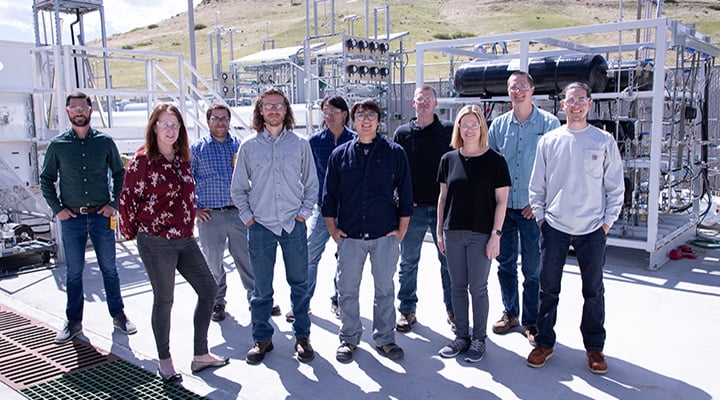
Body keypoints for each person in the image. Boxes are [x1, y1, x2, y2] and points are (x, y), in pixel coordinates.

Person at [119, 103, 228, 382]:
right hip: (155, 240)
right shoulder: (142, 161)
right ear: (154, 126)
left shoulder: (182, 157)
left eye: (175, 124)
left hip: (184, 237)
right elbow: (127, 200)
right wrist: (134, 234)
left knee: (209, 289)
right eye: (165, 124)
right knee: (165, 299)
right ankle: (164, 359)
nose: (170, 130)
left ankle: (200, 354)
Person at [526, 82, 624, 374]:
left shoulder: (603, 141)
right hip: (554, 226)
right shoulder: (550, 140)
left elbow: (615, 186)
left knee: (593, 290)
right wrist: (542, 219)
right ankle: (544, 342)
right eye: (571, 100)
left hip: (592, 228)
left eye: (582, 99)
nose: (576, 105)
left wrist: (607, 223)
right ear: (563, 104)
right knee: (548, 288)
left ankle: (594, 348)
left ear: (590, 104)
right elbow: (537, 186)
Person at [40, 91, 136, 344]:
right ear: (67, 111)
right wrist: (57, 208)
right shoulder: (58, 145)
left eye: (83, 107)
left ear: (91, 110)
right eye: (74, 108)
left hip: (102, 217)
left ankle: (119, 315)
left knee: (110, 269)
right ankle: (73, 321)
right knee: (74, 272)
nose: (79, 111)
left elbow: (120, 173)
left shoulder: (104, 142)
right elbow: (46, 179)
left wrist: (114, 204)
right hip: (71, 220)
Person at [230, 87, 318, 364]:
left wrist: (303, 214)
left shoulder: (301, 144)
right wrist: (248, 218)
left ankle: (302, 336)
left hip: (294, 225)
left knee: (300, 284)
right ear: (260, 111)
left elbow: (312, 185)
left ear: (286, 110)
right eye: (268, 106)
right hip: (261, 226)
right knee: (261, 289)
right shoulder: (248, 147)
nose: (273, 110)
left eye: (278, 105)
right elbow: (238, 189)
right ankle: (262, 339)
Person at [322, 99, 413, 363]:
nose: (365, 120)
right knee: (347, 290)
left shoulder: (395, 153)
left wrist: (401, 231)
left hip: (384, 235)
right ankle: (349, 338)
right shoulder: (340, 155)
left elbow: (406, 195)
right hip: (350, 236)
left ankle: (385, 338)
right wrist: (333, 230)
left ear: (378, 120)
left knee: (385, 290)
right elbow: (329, 198)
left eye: (371, 115)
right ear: (352, 120)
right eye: (360, 115)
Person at [487, 71, 560, 343]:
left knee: (532, 269)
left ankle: (531, 321)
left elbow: (555, 168)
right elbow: (491, 167)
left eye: (521, 87)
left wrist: (539, 201)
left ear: (532, 89)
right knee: (505, 264)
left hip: (532, 211)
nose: (517, 91)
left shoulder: (549, 124)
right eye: (512, 88)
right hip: (504, 210)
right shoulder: (498, 126)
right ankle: (510, 313)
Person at [191, 103, 280, 322]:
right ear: (208, 121)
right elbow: (185, 181)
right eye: (215, 118)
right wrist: (193, 208)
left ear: (229, 121)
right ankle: (217, 302)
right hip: (210, 215)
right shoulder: (197, 149)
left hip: (238, 213)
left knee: (248, 259)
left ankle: (257, 299)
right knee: (213, 262)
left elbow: (255, 177)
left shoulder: (241, 147)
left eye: (224, 118)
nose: (220, 122)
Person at [436, 104, 510, 363]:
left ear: (482, 127)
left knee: (478, 288)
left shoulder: (496, 161)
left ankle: (479, 339)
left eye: (474, 124)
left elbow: (502, 201)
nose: (469, 129)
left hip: (481, 235)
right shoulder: (448, 160)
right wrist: (439, 232)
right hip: (453, 232)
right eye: (464, 124)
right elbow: (443, 198)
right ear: (458, 127)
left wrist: (496, 235)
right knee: (457, 286)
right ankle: (461, 336)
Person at [285, 95, 354, 323]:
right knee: (309, 256)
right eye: (326, 110)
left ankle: (339, 301)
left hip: (348, 210)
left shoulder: (354, 140)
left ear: (345, 113)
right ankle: (302, 304)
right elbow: (303, 173)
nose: (329, 115)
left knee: (344, 259)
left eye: (334, 110)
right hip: (322, 209)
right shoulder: (314, 141)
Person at [393, 85, 454, 333]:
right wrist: (399, 199)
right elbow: (394, 170)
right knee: (408, 261)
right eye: (421, 99)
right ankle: (407, 310)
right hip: (413, 209)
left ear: (436, 103)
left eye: (429, 99)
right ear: (413, 104)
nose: (425, 103)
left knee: (449, 263)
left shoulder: (450, 131)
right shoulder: (402, 133)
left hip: (444, 209)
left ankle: (454, 311)